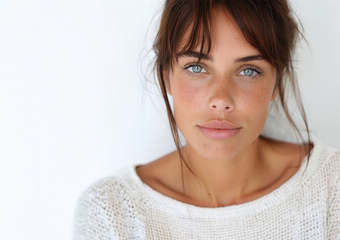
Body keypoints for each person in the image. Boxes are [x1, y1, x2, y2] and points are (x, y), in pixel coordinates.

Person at [73, 0, 340, 239]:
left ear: (276, 83)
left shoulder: (331, 188)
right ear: (167, 76)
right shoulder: (111, 212)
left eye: (248, 70)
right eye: (197, 67)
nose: (221, 98)